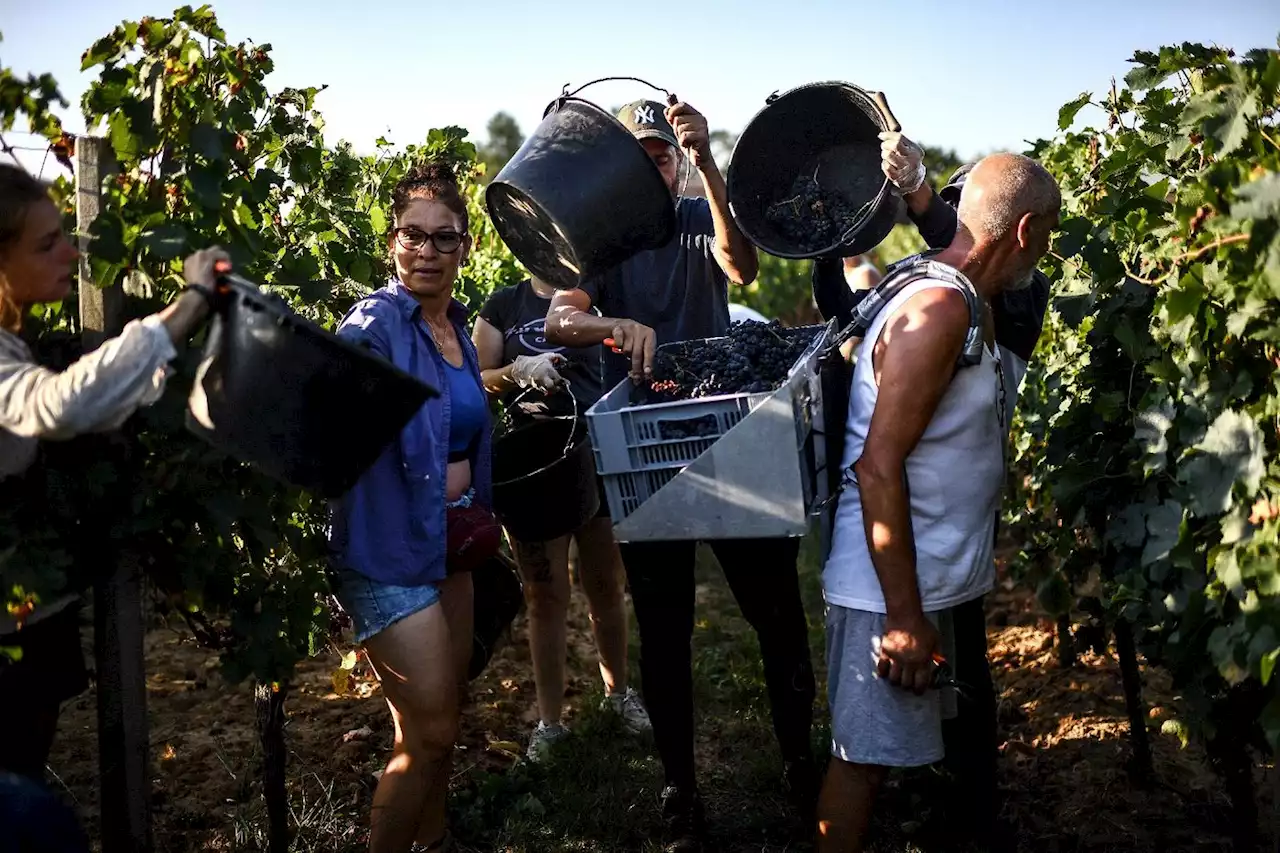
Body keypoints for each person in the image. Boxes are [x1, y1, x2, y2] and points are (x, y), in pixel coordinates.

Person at [544, 98, 817, 852]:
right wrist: (611, 325)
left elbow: (745, 265)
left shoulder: (700, 219)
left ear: (674, 162)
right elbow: (559, 321)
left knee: (776, 613)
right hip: (649, 450)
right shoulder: (599, 241)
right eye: (636, 156)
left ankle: (800, 763)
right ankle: (680, 789)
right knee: (663, 629)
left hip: (733, 435)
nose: (650, 165)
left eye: (661, 154)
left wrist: (709, 167)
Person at [813, 153, 1061, 853]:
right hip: (886, 594)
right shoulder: (939, 309)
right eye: (1047, 237)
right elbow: (878, 465)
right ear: (1024, 231)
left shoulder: (958, 296)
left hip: (921, 582)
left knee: (880, 760)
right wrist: (902, 620)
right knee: (859, 762)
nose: (1044, 256)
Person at [0, 162, 222, 846]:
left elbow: (91, 399)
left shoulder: (15, 343)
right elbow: (57, 405)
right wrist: (184, 309)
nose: (71, 252)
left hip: (24, 636)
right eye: (46, 244)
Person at [327, 161, 494, 853]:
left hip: (447, 544)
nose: (426, 251)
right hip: (388, 549)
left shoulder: (457, 328)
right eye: (412, 236)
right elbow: (336, 380)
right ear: (392, 242)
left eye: (443, 238)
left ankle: (436, 840)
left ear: (465, 247)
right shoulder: (379, 322)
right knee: (429, 729)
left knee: (438, 720)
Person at [472, 275, 650, 761]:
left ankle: (618, 696)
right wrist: (518, 371)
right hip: (531, 464)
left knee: (605, 583)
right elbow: (475, 377)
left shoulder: (600, 293)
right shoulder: (503, 303)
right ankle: (549, 723)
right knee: (544, 596)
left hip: (594, 452)